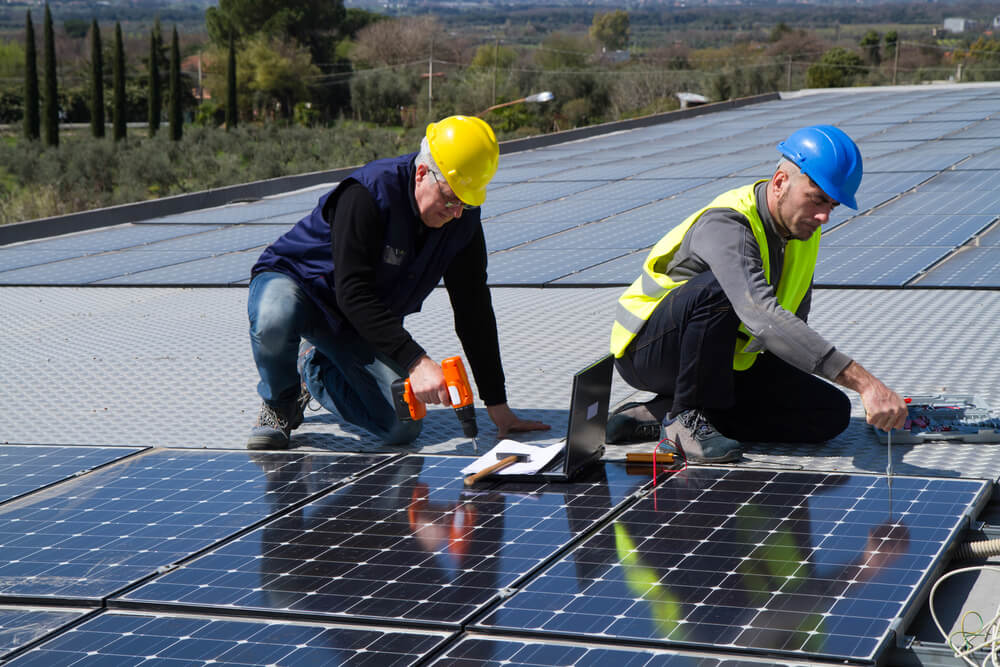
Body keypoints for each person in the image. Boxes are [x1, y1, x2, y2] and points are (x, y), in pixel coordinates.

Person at [606, 124, 908, 462]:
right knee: (719, 287)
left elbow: (790, 326)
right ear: (780, 183)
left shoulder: (802, 233)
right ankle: (682, 419)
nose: (823, 216)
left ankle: (653, 415)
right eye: (817, 199)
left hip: (720, 360)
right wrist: (865, 382)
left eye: (833, 205)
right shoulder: (727, 223)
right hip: (649, 351)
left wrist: (784, 391)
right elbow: (761, 314)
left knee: (827, 413)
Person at [246, 115, 549, 450]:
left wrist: (498, 405)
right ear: (422, 174)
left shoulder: (461, 219)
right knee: (275, 316)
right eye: (450, 198)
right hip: (301, 287)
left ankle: (314, 372)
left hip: (358, 320)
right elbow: (353, 293)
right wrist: (417, 362)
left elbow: (473, 308)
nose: (457, 211)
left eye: (467, 202)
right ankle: (279, 405)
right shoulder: (368, 194)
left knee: (402, 427)